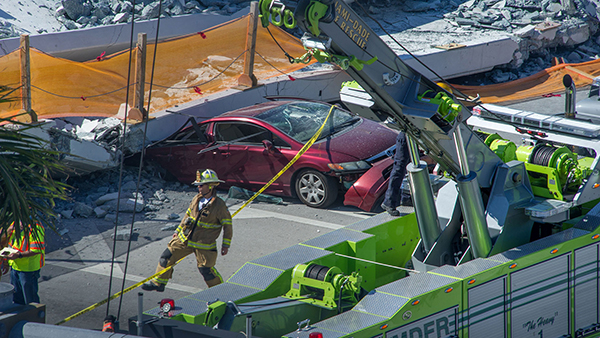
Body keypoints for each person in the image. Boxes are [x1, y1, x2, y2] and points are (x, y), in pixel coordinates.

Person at [142, 169, 232, 291]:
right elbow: (187, 216)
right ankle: (158, 283)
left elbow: (228, 225)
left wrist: (225, 245)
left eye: (201, 185)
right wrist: (177, 231)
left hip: (204, 245)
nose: (198, 188)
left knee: (206, 270)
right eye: (198, 185)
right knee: (166, 257)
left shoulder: (219, 205)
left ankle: (220, 292)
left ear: (210, 186)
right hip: (185, 240)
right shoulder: (196, 199)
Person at [1, 221, 45, 305]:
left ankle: (33, 317)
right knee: (17, 299)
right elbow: (6, 241)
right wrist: (6, 262)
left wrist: (19, 255)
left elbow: (36, 250)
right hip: (15, 266)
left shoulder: (35, 227)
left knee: (31, 300)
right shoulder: (14, 223)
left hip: (28, 269)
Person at [381, 131, 411, 216]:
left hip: (412, 136)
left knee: (410, 168)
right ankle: (389, 202)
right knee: (399, 169)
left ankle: (406, 198)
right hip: (407, 136)